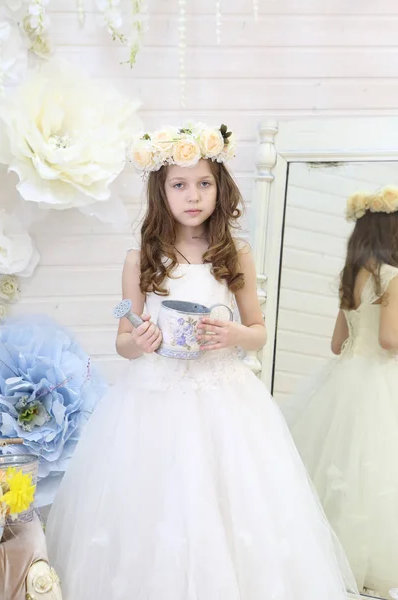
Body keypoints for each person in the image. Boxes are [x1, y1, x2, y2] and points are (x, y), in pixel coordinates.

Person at [45, 123, 358, 599]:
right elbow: (124, 340)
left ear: (220, 187)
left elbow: (257, 334)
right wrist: (142, 340)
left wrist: (233, 333)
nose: (193, 195)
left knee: (228, 505)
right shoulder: (141, 259)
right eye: (179, 184)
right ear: (161, 190)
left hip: (223, 397)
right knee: (156, 508)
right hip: (153, 400)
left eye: (204, 183)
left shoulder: (235, 255)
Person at [281, 186, 398, 597]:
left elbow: (336, 345)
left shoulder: (353, 277)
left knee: (339, 467)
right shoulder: (394, 277)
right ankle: (368, 568)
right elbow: (389, 340)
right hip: (380, 378)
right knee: (377, 471)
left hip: (345, 376)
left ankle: (328, 557)